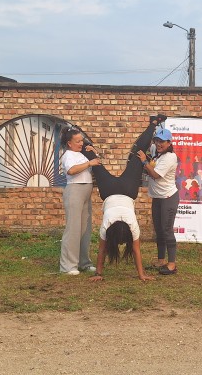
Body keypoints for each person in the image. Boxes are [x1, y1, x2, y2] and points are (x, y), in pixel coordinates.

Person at [87, 115, 167, 282]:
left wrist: (99, 274)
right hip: (109, 191)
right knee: (95, 163)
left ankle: (153, 123)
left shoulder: (131, 226)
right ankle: (86, 147)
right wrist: (141, 275)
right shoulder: (107, 226)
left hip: (127, 190)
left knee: (139, 153)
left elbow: (108, 251)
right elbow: (107, 251)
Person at [138, 128, 180, 275]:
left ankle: (172, 264)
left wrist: (144, 161)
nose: (158, 144)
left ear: (169, 143)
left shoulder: (170, 157)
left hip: (168, 198)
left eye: (162, 141)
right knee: (159, 230)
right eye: (157, 141)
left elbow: (155, 175)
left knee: (167, 230)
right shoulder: (157, 153)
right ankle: (161, 260)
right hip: (157, 198)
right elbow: (147, 142)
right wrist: (152, 125)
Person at [59, 128, 100, 275]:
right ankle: (68, 266)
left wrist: (93, 153)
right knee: (73, 229)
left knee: (85, 229)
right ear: (69, 143)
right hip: (75, 190)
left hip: (86, 191)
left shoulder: (81, 154)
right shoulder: (68, 155)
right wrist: (89, 164)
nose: (81, 143)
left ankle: (84, 263)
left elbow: (98, 163)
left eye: (82, 140)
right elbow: (71, 170)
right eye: (78, 141)